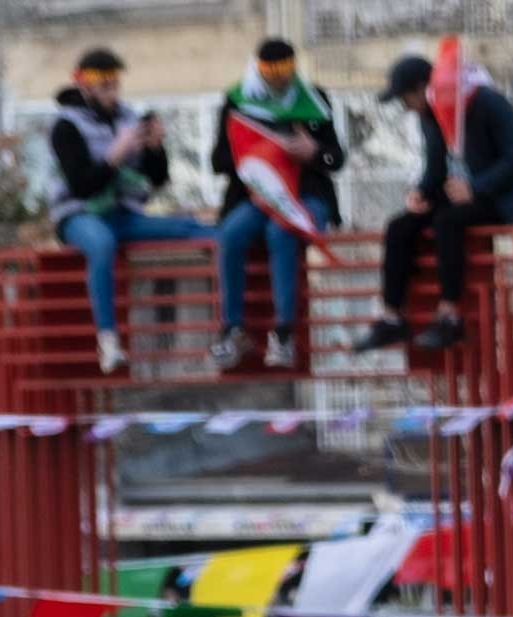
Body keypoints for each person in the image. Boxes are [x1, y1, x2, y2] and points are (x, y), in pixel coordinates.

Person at [359, 51, 513, 354]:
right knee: (399, 226)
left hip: (503, 198)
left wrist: (476, 188)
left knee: (447, 221)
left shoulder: (487, 102)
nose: (406, 108)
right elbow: (436, 166)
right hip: (461, 195)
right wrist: (421, 192)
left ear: (424, 88)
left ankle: (450, 315)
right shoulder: (429, 116)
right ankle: (391, 317)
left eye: (406, 99)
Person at [45, 50, 207, 376]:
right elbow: (82, 185)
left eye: (115, 84)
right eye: (104, 86)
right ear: (86, 87)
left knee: (191, 228)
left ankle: (234, 327)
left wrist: (155, 147)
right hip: (79, 214)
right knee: (102, 244)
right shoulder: (65, 126)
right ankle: (108, 339)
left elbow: (157, 178)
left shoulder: (127, 119)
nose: (112, 93)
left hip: (123, 213)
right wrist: (113, 156)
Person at [207, 39, 342, 371]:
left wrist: (312, 151)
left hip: (306, 193)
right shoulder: (237, 100)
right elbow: (218, 159)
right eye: (271, 71)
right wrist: (258, 155)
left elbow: (335, 157)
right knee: (231, 235)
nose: (280, 78)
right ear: (258, 70)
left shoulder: (314, 99)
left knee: (282, 232)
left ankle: (283, 332)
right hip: (256, 194)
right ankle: (232, 328)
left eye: (286, 70)